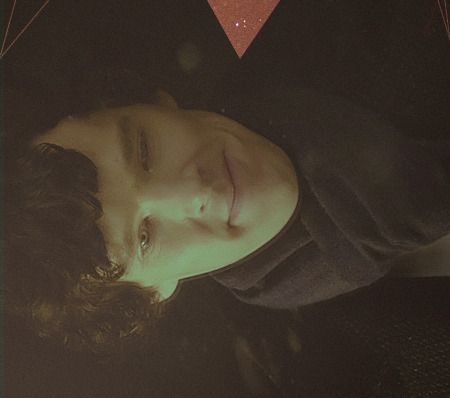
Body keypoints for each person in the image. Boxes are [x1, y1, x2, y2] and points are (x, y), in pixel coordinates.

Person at [4, 80, 450, 353]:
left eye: (143, 149)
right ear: (156, 294)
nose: (195, 192)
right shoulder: (289, 284)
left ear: (156, 100)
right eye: (144, 238)